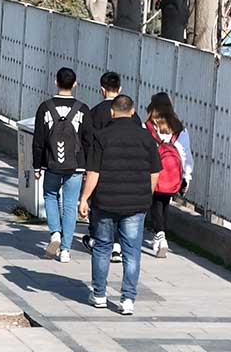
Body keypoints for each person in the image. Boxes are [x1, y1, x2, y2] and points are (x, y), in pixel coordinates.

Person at [77, 95, 161, 316]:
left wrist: (85, 198)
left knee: (103, 247)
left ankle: (99, 295)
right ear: (133, 112)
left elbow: (93, 172)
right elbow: (155, 172)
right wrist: (147, 195)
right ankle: (127, 300)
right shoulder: (146, 138)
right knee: (132, 252)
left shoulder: (101, 137)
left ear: (112, 113)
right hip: (136, 203)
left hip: (105, 202)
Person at [32, 67, 91, 263]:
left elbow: (39, 140)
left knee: (50, 195)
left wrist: (37, 165)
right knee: (69, 204)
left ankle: (55, 233)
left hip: (51, 163)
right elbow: (88, 140)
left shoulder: (45, 107)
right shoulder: (82, 109)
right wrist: (88, 167)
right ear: (75, 84)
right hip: (76, 165)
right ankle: (65, 249)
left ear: (55, 82)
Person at [81, 71, 132, 262]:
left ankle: (98, 239)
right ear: (120, 89)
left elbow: (87, 140)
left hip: (100, 165)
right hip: (126, 167)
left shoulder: (94, 112)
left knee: (99, 206)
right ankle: (118, 244)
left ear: (101, 89)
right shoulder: (130, 115)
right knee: (121, 208)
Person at [144, 93, 193, 258]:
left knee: (155, 203)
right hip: (172, 175)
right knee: (165, 203)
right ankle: (161, 234)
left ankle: (160, 235)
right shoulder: (180, 128)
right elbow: (186, 154)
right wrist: (187, 177)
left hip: (154, 172)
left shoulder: (148, 126)